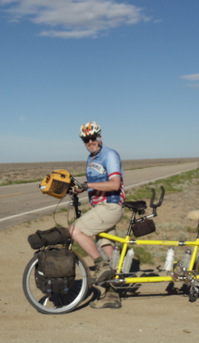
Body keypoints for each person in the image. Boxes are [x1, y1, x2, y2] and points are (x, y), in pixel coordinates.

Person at [70, 121, 125, 309]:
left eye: (93, 137)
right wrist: (80, 189)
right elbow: (94, 184)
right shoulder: (90, 159)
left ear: (99, 137)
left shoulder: (109, 155)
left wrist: (88, 185)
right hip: (100, 208)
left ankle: (100, 264)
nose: (90, 141)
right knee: (106, 245)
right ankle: (112, 295)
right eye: (86, 139)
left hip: (109, 207)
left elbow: (115, 184)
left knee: (75, 230)